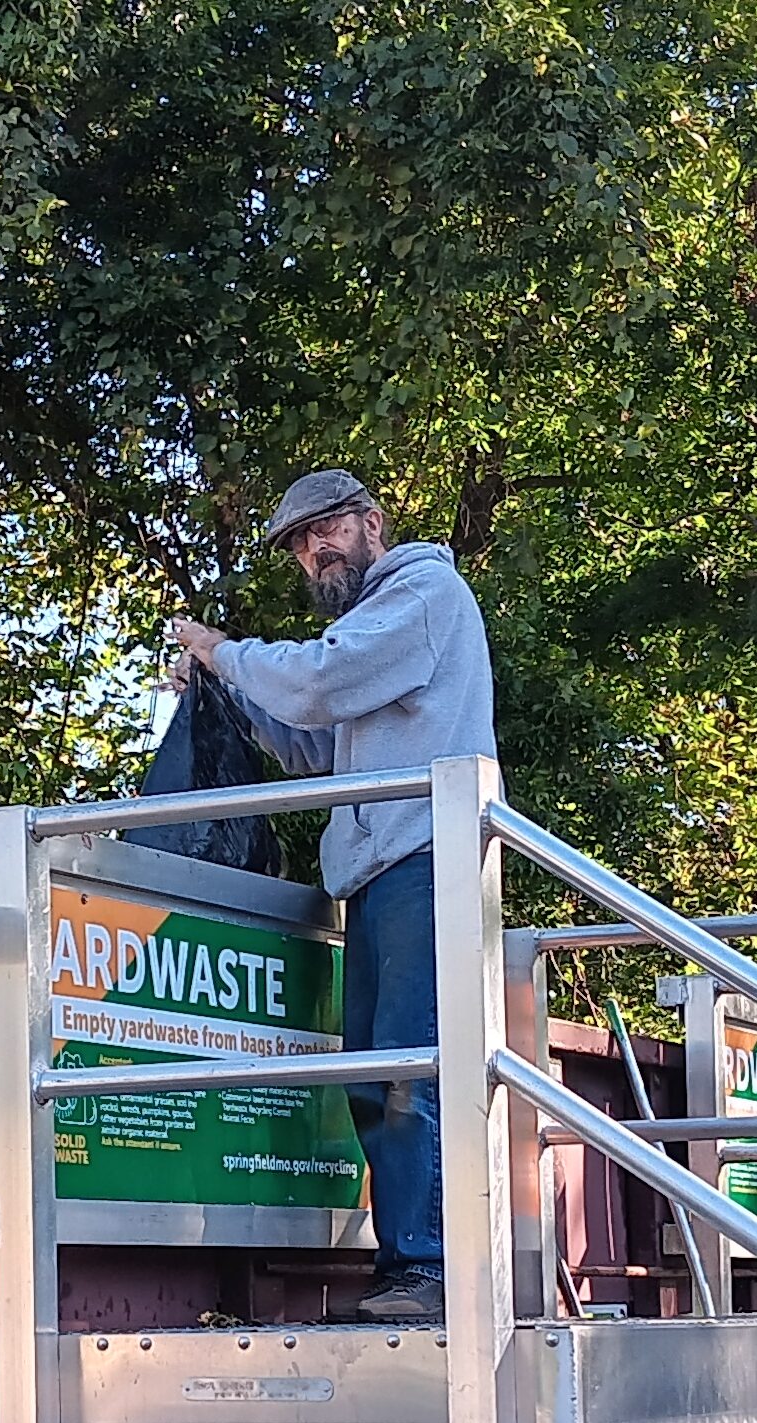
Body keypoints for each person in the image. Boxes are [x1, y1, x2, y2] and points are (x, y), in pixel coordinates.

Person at [169, 470, 498, 1325]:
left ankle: (427, 1271)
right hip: (378, 873)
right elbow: (313, 745)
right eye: (299, 545)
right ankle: (406, 1267)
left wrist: (222, 650)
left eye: (326, 530)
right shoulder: (365, 636)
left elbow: (315, 683)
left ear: (371, 525)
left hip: (425, 863)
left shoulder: (423, 591)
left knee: (406, 1072)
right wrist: (230, 693)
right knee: (372, 1079)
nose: (315, 551)